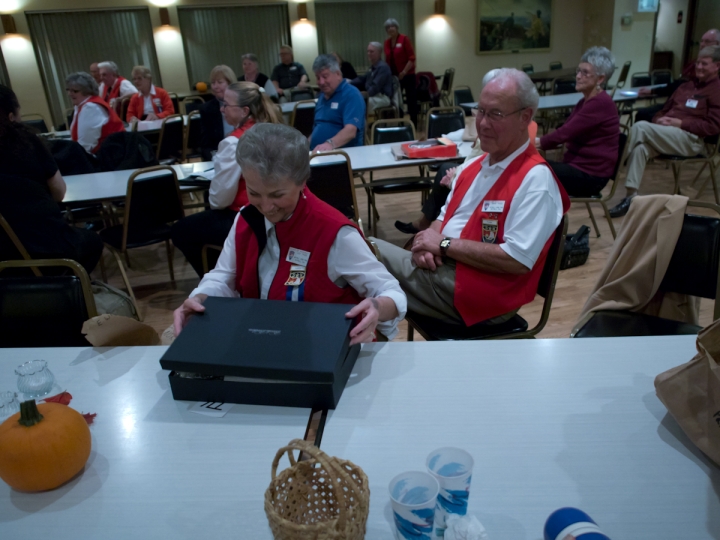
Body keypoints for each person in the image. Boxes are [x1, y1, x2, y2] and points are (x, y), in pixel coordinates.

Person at [172, 123, 406, 343]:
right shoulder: (246, 217)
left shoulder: (334, 232)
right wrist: (200, 298)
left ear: (302, 181)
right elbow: (224, 276)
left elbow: (392, 293)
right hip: (265, 336)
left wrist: (376, 307)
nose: (265, 206)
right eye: (254, 192)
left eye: (277, 195)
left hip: (322, 341)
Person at [373, 68, 569, 328]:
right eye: (481, 111)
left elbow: (516, 259)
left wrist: (441, 244)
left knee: (361, 250)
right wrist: (424, 246)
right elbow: (442, 218)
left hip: (482, 297)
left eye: (496, 114)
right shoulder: (474, 166)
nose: (483, 123)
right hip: (445, 272)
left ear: (525, 117)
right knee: (360, 264)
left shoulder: (536, 180)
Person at [171, 82, 283, 277]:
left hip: (250, 217)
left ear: (244, 110)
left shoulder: (233, 143)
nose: (221, 109)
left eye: (226, 104)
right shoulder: (276, 130)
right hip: (280, 212)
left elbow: (219, 200)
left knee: (182, 230)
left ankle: (221, 279)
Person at [0, 85, 103, 274]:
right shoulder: (27, 142)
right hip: (47, 245)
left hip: (5, 257)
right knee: (92, 241)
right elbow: (59, 192)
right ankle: (67, 293)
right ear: (11, 115)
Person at [609, 45, 720, 217]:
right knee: (640, 149)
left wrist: (680, 123)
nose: (698, 67)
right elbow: (663, 110)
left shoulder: (716, 91)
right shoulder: (685, 87)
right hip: (668, 135)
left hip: (692, 140)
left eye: (704, 64)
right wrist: (658, 120)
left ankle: (612, 166)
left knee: (640, 127)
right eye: (697, 63)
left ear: (717, 66)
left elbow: (712, 127)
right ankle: (630, 198)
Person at [535, 46, 619, 197]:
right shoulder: (585, 101)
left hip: (591, 176)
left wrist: (536, 142)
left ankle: (548, 219)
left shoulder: (600, 103)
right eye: (578, 71)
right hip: (579, 168)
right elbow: (566, 129)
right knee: (534, 169)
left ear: (600, 78)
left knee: (534, 171)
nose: (578, 76)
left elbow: (564, 134)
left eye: (585, 73)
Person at [635, 29, 720, 123]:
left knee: (644, 122)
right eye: (702, 41)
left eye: (707, 41)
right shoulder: (693, 65)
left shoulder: (714, 78)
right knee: (644, 116)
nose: (702, 44)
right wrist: (653, 91)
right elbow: (677, 85)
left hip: (690, 114)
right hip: (677, 105)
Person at [309, 54, 365, 152]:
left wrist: (329, 144)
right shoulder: (322, 96)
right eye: (318, 78)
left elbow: (351, 131)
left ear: (338, 74)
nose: (321, 82)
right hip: (318, 154)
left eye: (325, 76)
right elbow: (317, 129)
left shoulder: (351, 94)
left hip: (342, 155)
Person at [66, 71, 125, 154]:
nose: (69, 94)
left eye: (75, 91)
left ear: (86, 91)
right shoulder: (81, 106)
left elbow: (85, 145)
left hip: (108, 157)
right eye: (68, 90)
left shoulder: (91, 107)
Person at [199, 65, 237, 161]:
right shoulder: (206, 109)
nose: (215, 86)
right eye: (213, 83)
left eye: (220, 82)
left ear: (230, 83)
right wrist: (216, 159)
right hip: (219, 156)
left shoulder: (242, 104)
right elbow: (205, 146)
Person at [384, 18, 417, 126]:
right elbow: (387, 59)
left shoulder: (404, 39)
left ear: (397, 28)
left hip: (408, 75)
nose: (390, 29)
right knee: (397, 101)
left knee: (411, 99)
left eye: (392, 26)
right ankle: (400, 123)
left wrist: (404, 72)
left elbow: (412, 58)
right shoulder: (387, 43)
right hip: (394, 76)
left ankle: (414, 124)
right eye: (388, 27)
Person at [350, 42, 393, 113]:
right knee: (355, 100)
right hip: (375, 96)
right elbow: (363, 78)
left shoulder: (383, 67)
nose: (369, 54)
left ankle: (360, 123)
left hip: (382, 97)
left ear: (379, 53)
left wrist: (364, 95)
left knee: (358, 102)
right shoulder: (373, 67)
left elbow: (375, 87)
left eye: (371, 51)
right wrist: (350, 82)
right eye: (368, 51)